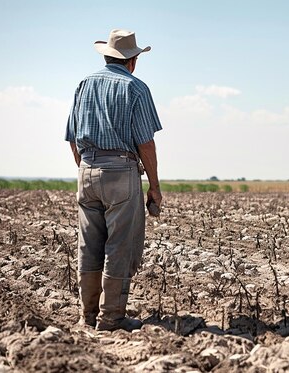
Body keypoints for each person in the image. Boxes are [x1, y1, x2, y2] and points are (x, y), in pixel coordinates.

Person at [64, 29, 163, 331]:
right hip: (121, 172)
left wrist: (87, 169)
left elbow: (71, 137)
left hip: (87, 169)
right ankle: (111, 318)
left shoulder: (84, 84)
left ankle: (87, 315)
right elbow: (145, 143)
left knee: (89, 245)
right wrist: (155, 189)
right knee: (119, 246)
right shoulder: (135, 88)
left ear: (106, 55)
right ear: (132, 61)